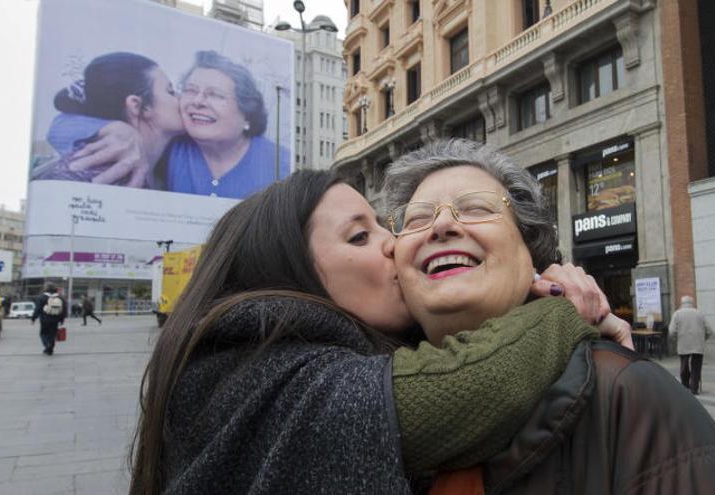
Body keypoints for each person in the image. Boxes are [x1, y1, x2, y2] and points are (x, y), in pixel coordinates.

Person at [130, 170, 629, 494]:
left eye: (385, 226)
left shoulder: (624, 390)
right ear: (291, 270)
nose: (395, 244)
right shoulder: (252, 362)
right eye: (360, 236)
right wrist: (567, 312)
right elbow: (459, 390)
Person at [383, 139, 715, 493]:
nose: (441, 225)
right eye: (416, 218)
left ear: (532, 255)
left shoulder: (626, 392)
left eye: (476, 208)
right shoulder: (358, 382)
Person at [46, 50, 290, 199]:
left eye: (215, 94)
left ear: (247, 113)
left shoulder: (281, 163)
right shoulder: (172, 144)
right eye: (189, 90)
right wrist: (118, 130)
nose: (197, 102)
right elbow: (60, 124)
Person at [32, 52, 184, 188]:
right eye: (170, 91)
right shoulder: (80, 174)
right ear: (137, 105)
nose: (181, 99)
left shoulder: (168, 165)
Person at [669, 294, 712, 395]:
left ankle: (685, 385)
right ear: (692, 303)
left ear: (682, 303)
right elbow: (709, 330)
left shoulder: (677, 314)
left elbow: (671, 331)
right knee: (696, 367)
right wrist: (703, 338)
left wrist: (677, 338)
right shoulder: (699, 313)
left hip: (683, 344)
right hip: (698, 344)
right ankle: (694, 388)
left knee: (684, 365)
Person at [31, 284, 67, 356]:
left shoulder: (41, 297)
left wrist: (33, 318)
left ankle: (47, 345)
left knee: (43, 334)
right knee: (52, 334)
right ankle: (50, 346)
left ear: (46, 289)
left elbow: (38, 309)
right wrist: (62, 319)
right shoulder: (60, 297)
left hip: (44, 319)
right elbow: (64, 309)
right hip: (55, 319)